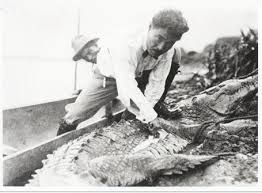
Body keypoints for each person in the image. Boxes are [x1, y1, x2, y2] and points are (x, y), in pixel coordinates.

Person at [56, 8, 189, 136]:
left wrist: (149, 112)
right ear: (149, 28)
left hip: (138, 75)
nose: (161, 47)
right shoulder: (125, 45)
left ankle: (155, 106)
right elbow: (127, 86)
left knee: (176, 53)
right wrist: (151, 117)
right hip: (109, 78)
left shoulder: (168, 51)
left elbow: (157, 82)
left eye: (169, 42)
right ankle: (58, 141)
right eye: (159, 38)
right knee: (73, 116)